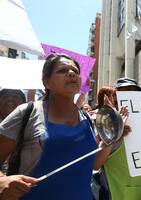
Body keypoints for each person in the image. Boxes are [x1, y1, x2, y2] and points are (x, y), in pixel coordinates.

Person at [0, 54, 125, 200]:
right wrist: (2, 180)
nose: (71, 73)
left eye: (75, 71)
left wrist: (114, 132)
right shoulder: (27, 113)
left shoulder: (87, 119)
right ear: (46, 82)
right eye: (62, 70)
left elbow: (94, 164)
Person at [98, 78, 141, 200]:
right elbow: (96, 163)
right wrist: (116, 131)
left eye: (133, 92)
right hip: (116, 192)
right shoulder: (106, 122)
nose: (130, 96)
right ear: (115, 98)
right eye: (124, 92)